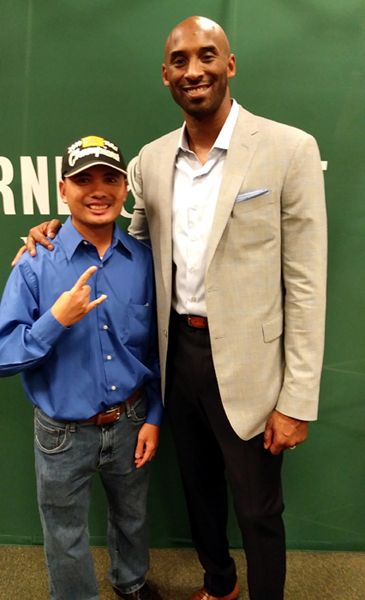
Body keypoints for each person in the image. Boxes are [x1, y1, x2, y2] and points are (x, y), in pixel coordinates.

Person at [15, 15, 327, 600]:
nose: (194, 70)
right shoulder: (152, 161)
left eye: (207, 55)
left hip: (254, 365)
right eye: (180, 61)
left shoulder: (290, 149)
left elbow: (308, 284)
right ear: (166, 76)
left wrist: (297, 397)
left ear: (229, 64)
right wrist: (58, 232)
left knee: (258, 506)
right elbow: (128, 244)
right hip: (175, 353)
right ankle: (220, 584)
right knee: (199, 488)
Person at [0, 135, 163, 600]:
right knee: (65, 535)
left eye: (110, 178)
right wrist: (55, 320)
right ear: (62, 189)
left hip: (131, 421)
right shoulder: (35, 262)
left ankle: (130, 582)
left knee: (132, 518)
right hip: (61, 433)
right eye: (83, 179)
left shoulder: (143, 261)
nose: (98, 189)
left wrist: (153, 416)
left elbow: (156, 348)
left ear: (124, 189)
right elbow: (3, 354)